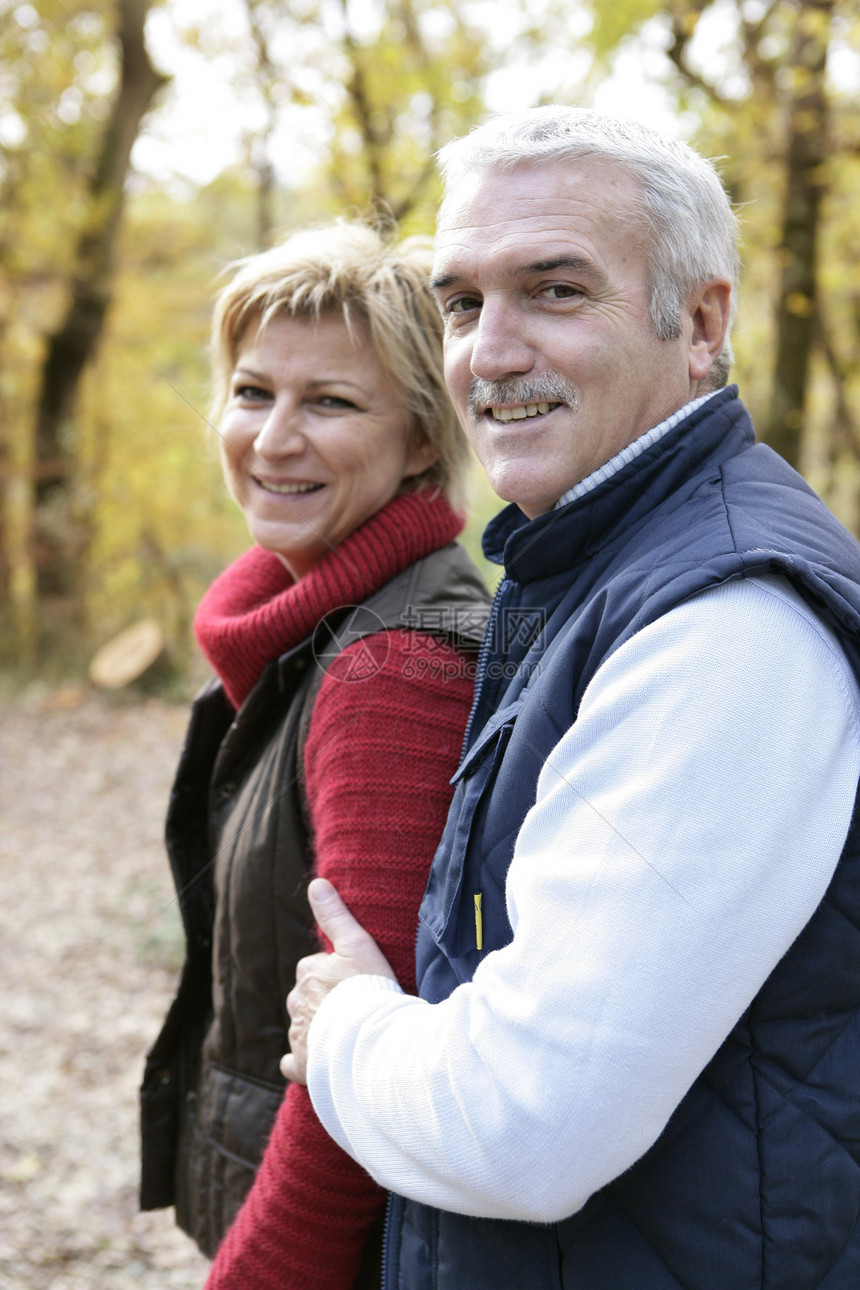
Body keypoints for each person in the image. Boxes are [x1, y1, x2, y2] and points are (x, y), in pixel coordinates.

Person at [282, 108, 860, 1288]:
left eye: (552, 290)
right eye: (459, 303)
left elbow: (522, 1126)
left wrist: (343, 1030)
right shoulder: (602, 564)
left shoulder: (722, 628)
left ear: (699, 324)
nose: (487, 353)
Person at [138, 221, 490, 1287]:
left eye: (329, 403)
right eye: (252, 393)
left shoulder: (395, 667)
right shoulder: (307, 627)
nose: (274, 439)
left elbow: (360, 1054)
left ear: (423, 438)